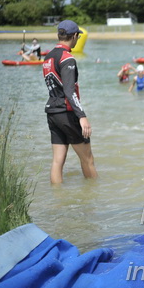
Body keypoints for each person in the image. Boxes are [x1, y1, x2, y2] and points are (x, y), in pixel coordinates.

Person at [42, 20, 97, 184]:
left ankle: (58, 200)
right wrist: (82, 116)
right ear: (74, 36)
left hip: (52, 113)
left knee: (57, 161)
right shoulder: (67, 58)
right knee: (87, 159)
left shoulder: (48, 57)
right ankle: (94, 197)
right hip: (67, 113)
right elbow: (69, 91)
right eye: (77, 37)